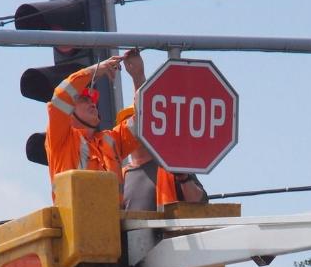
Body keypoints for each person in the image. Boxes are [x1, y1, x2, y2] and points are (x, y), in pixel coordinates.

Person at [118, 50, 208, 211]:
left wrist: (138, 76)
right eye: (129, 123)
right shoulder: (120, 177)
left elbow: (199, 205)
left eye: (137, 122)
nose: (135, 126)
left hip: (169, 237)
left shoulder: (172, 166)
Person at [45, 56, 139, 197]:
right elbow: (60, 98)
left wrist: (138, 76)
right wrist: (94, 70)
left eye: (92, 100)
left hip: (112, 218)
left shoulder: (111, 140)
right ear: (69, 111)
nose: (92, 103)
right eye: (84, 99)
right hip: (75, 219)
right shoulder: (61, 141)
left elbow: (143, 121)